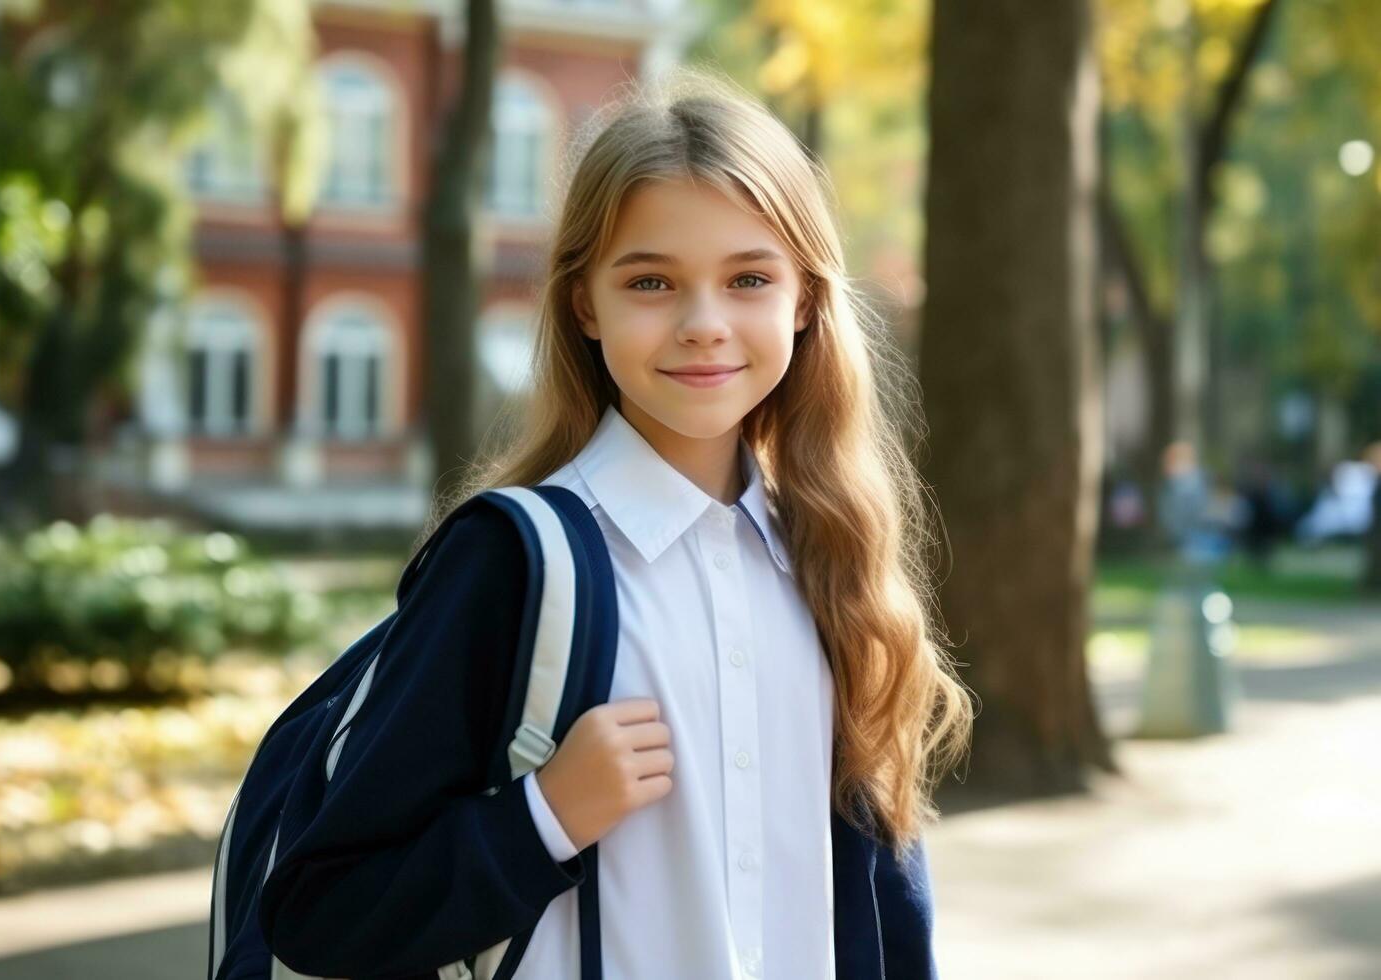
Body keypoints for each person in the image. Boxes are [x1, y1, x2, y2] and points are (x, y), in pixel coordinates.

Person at [258, 70, 972, 980]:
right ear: (585, 304)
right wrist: (544, 816)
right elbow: (324, 912)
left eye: (749, 277)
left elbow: (887, 910)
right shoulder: (511, 566)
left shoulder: (832, 560)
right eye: (652, 282)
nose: (704, 324)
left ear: (802, 300)